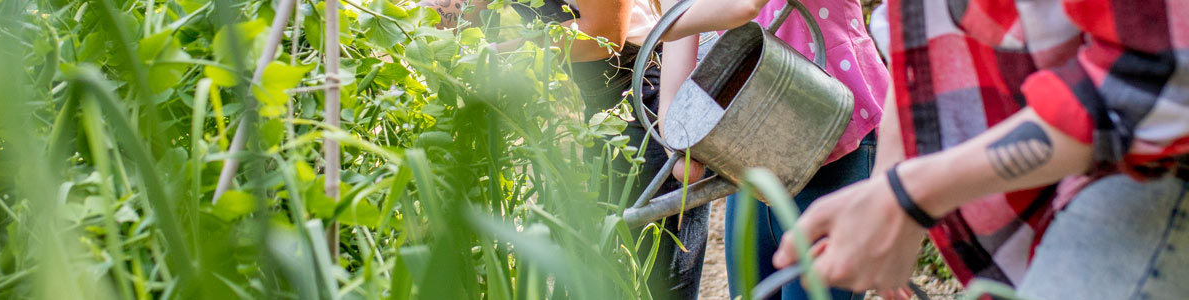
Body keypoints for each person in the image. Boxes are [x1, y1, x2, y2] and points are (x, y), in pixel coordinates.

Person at [771, 0, 1189, 299]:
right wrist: (884, 193)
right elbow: (913, 31)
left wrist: (910, 194)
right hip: (1044, 184)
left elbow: (1154, 82)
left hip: (1152, 168)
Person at [419, 1, 717, 298]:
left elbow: (605, 35)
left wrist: (497, 54)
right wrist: (418, 23)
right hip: (606, 97)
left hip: (660, 80)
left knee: (655, 277)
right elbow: (461, 11)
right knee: (609, 260)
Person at [655, 0, 891, 299]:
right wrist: (683, 142)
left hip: (838, 136)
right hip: (757, 149)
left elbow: (743, 7)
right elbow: (676, 124)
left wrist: (660, 25)